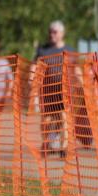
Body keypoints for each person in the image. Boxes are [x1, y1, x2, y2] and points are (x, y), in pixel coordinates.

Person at [30, 20, 75, 156]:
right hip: (47, 90)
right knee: (47, 120)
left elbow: (76, 69)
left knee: (63, 117)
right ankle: (47, 144)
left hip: (64, 89)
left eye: (55, 32)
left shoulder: (69, 50)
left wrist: (83, 83)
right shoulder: (43, 50)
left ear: (62, 33)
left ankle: (64, 147)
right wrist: (31, 79)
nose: (52, 35)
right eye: (50, 32)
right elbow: (35, 65)